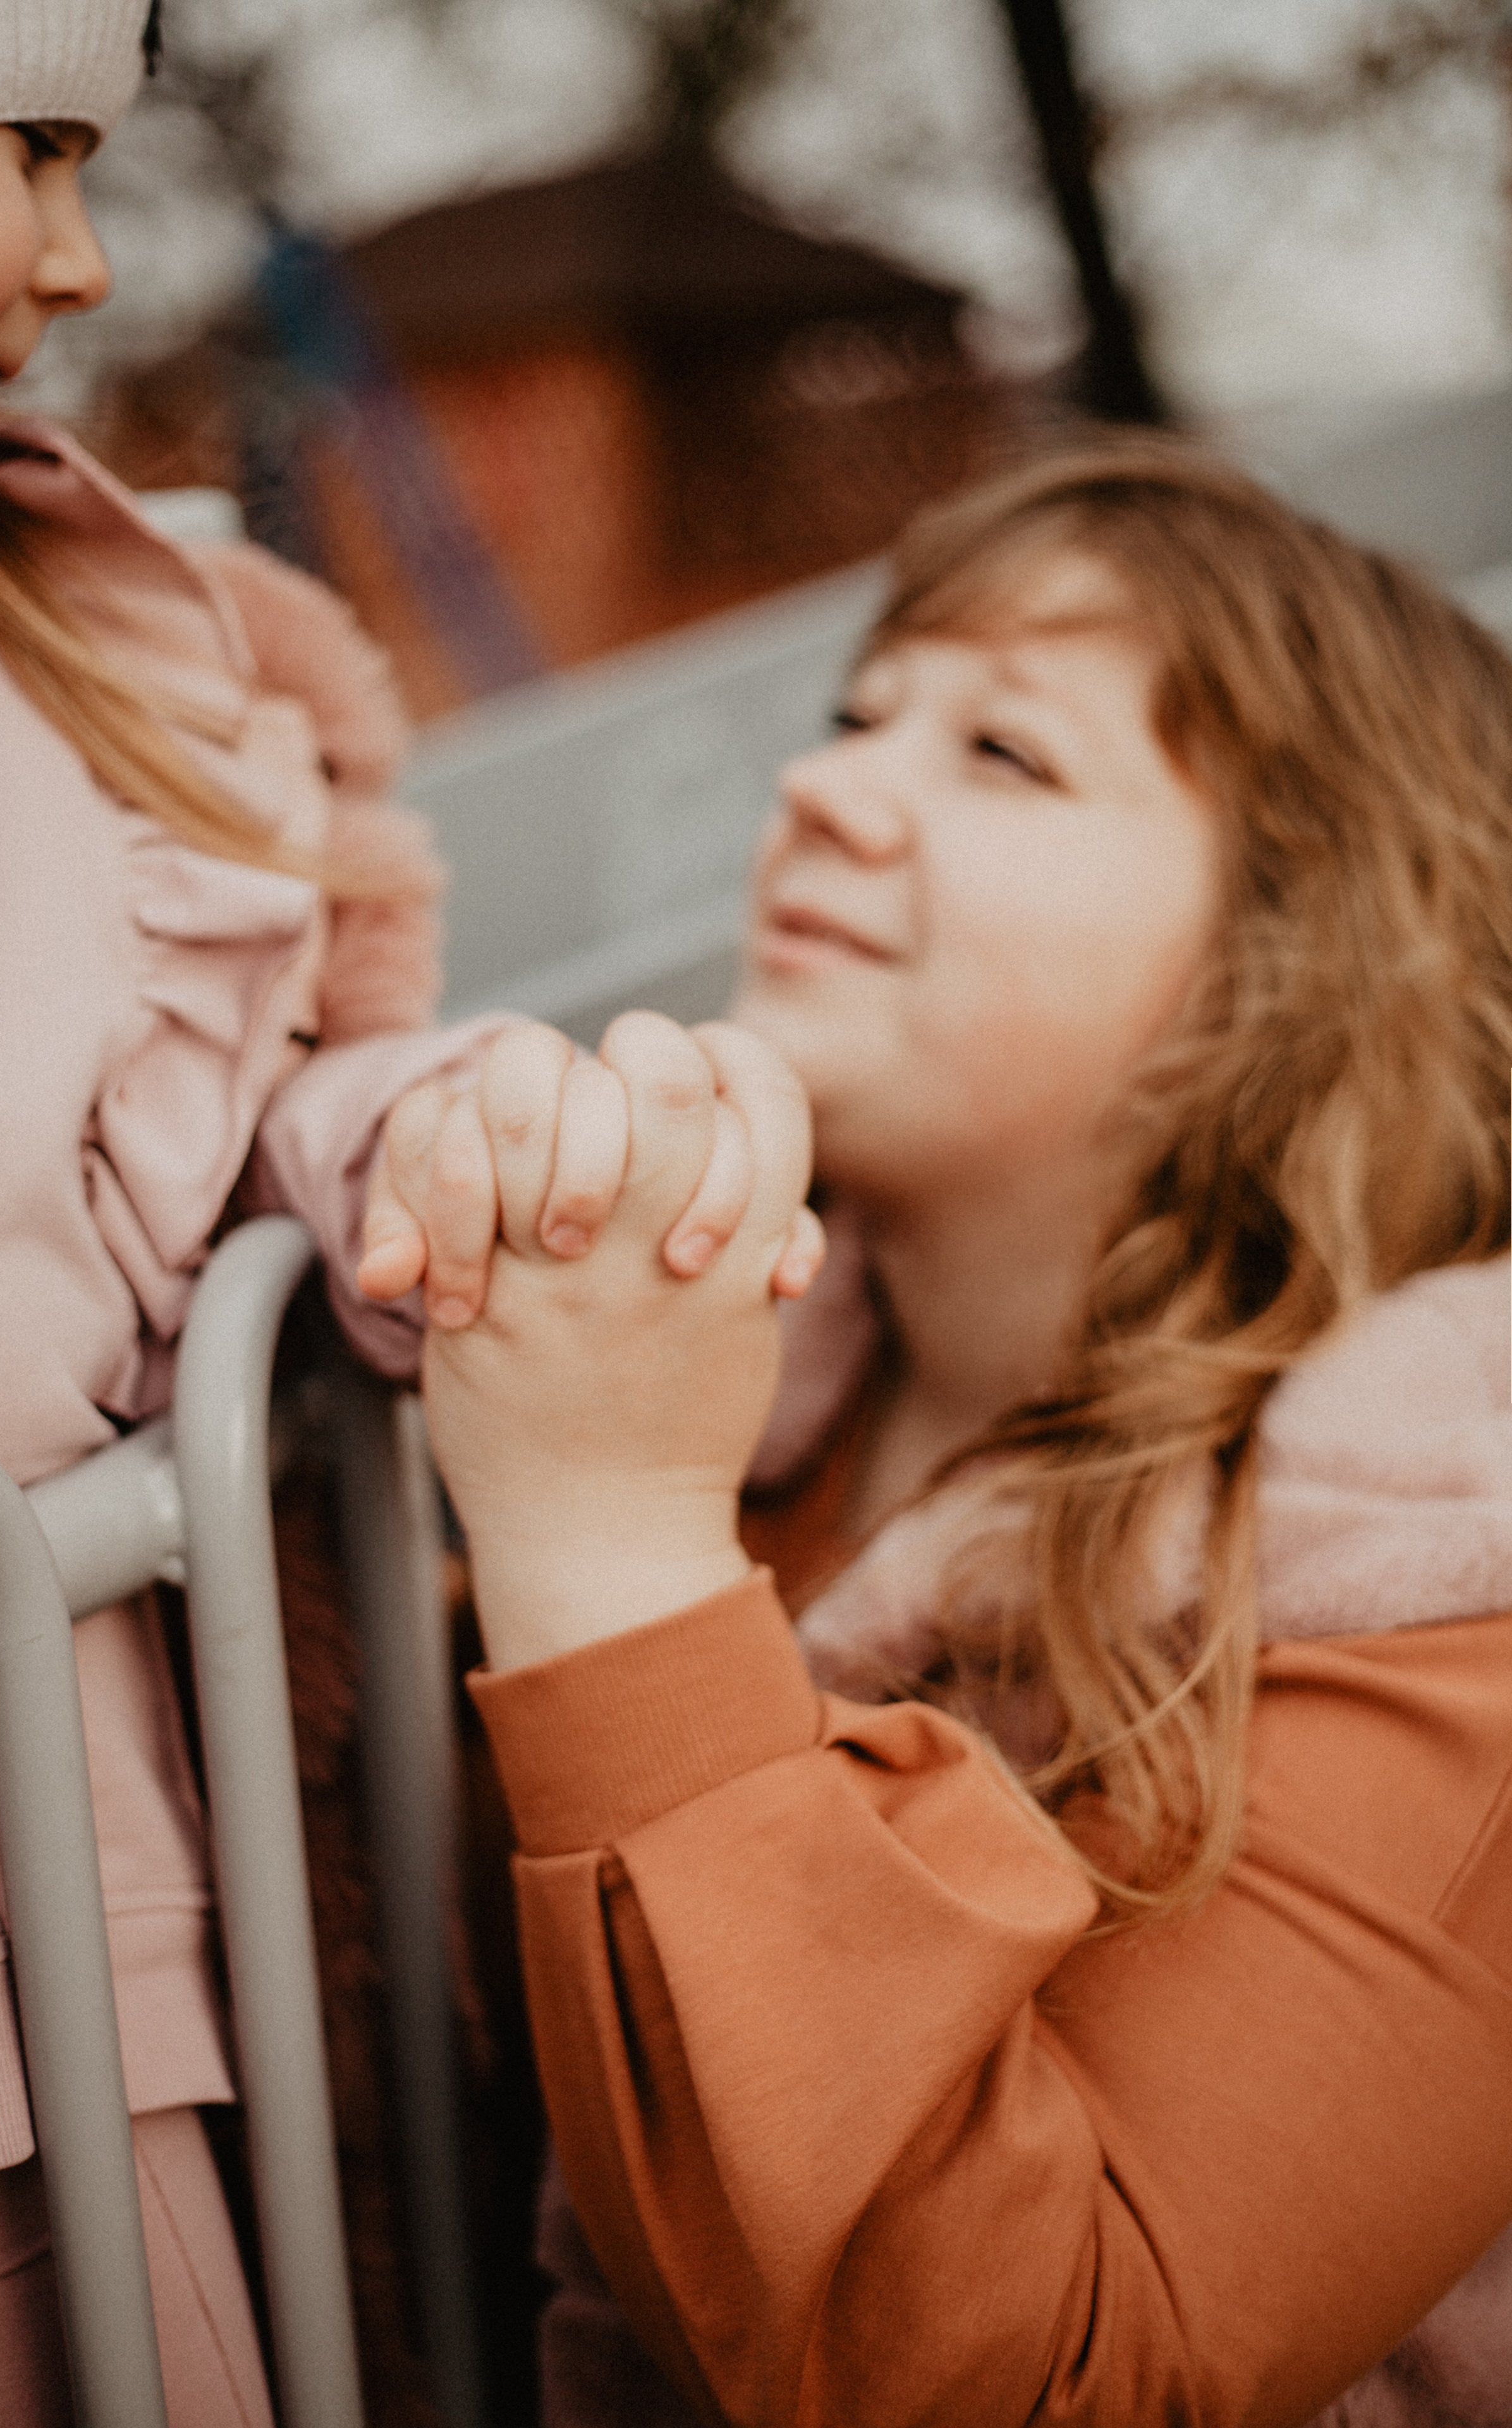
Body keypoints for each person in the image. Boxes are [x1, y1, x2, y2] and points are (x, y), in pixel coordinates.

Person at [377, 436, 1512, 2424]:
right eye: (857, 715)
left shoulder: (1450, 1573)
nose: (820, 788)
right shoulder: (748, 1416)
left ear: (1297, 947)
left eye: (1001, 756)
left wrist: (610, 1532)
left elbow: (1056, 2376)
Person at [0, 5, 537, 2417]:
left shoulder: (88, 637)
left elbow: (266, 1122)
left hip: (18, 1982)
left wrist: (439, 1139)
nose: (75, 256)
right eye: (33, 143)